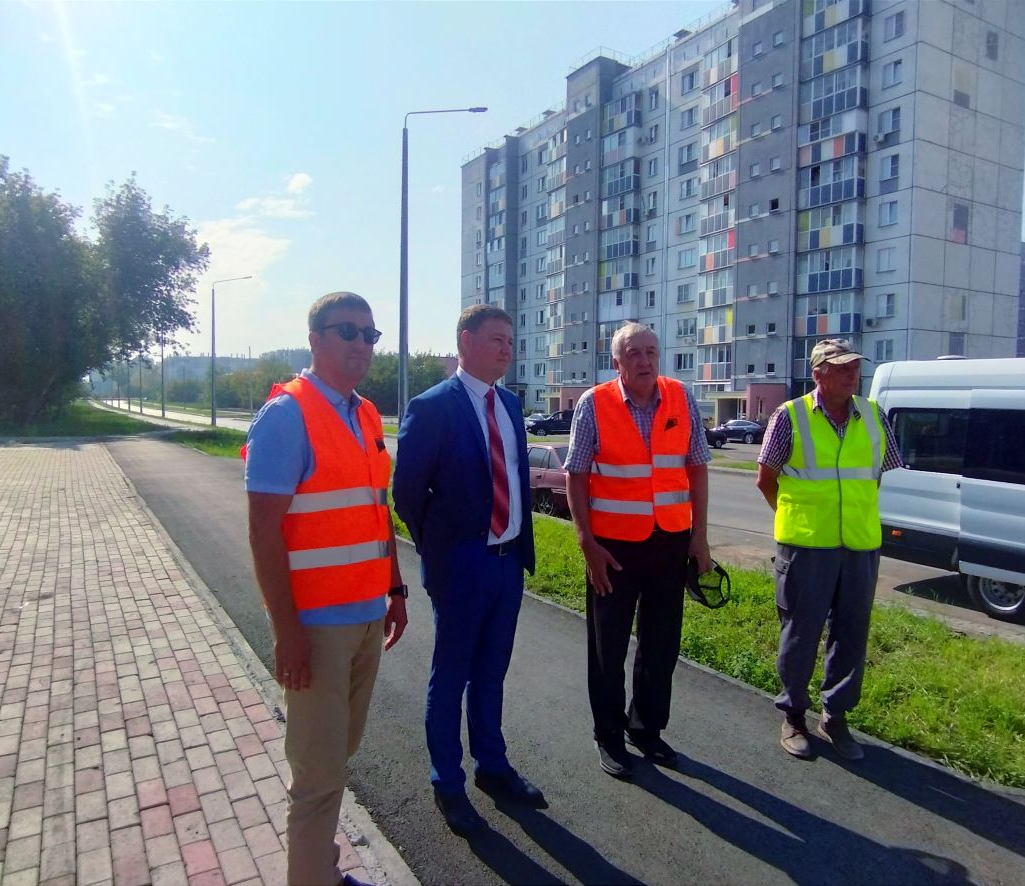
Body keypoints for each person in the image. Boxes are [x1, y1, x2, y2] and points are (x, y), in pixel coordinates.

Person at [244, 291, 408, 886]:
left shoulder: (364, 414)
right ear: (315, 339)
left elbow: (375, 510)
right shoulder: (287, 414)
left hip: (368, 616)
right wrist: (286, 630)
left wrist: (395, 590)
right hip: (316, 627)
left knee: (336, 759)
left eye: (371, 334)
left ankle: (325, 871)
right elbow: (263, 530)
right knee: (316, 778)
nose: (362, 344)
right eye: (348, 332)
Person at [393, 304, 542, 837]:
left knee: (492, 673)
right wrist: (441, 553)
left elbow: (517, 479)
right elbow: (406, 494)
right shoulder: (432, 407)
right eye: (496, 339)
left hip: (507, 566)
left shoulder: (510, 404)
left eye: (510, 340)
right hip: (462, 566)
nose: (507, 348)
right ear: (465, 341)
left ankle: (492, 768)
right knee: (451, 674)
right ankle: (448, 783)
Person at [563, 322, 711, 779]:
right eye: (634, 354)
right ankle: (608, 734)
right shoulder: (594, 403)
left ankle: (645, 728)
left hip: (669, 541)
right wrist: (586, 542)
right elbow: (576, 475)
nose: (645, 361)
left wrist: (699, 537)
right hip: (613, 549)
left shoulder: (681, 398)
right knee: (608, 646)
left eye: (651, 351)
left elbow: (698, 468)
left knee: (661, 644)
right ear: (617, 362)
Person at [754, 338, 902, 761]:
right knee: (800, 634)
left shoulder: (873, 416)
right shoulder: (790, 416)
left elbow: (876, 476)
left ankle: (835, 716)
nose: (852, 374)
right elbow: (766, 479)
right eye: (841, 368)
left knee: (852, 635)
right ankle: (794, 715)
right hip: (806, 546)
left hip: (859, 545)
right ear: (818, 373)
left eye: (855, 366)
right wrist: (796, 518)